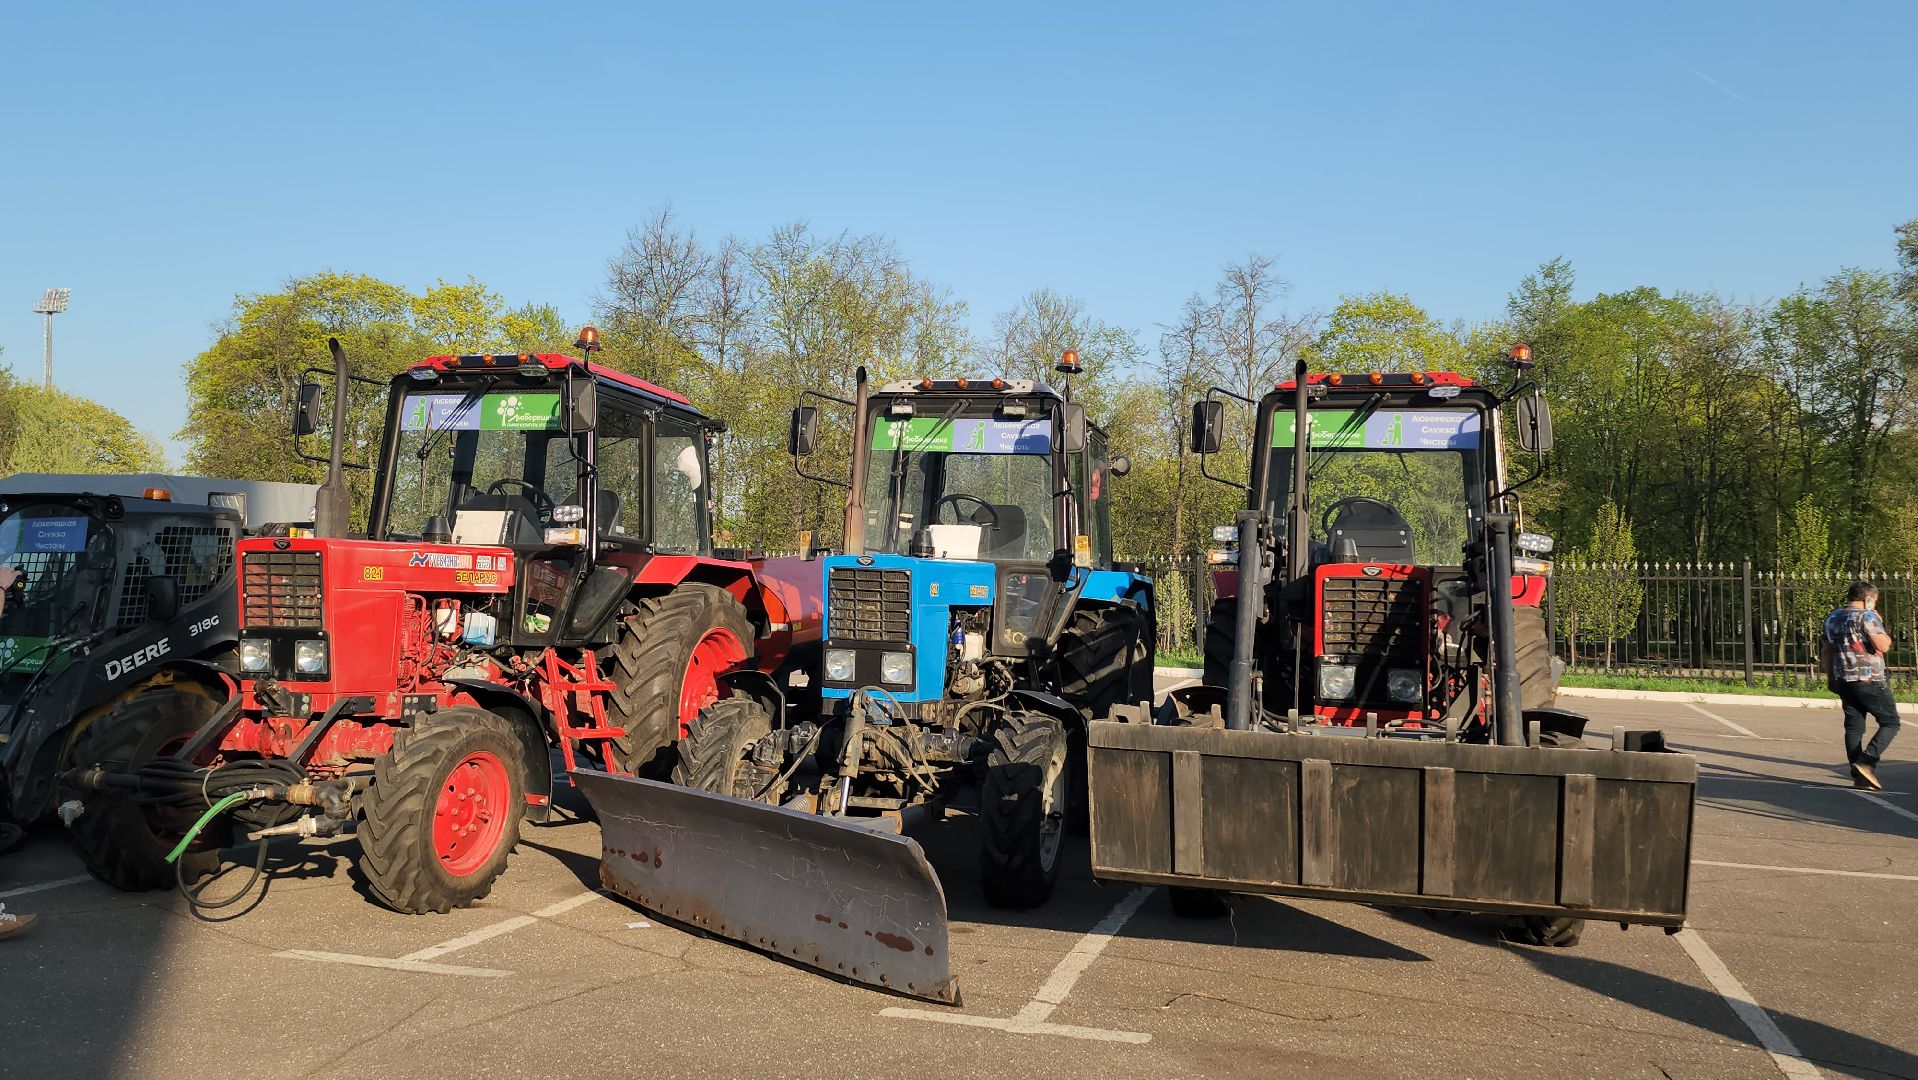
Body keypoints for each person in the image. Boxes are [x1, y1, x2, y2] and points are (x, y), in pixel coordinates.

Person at [1820, 581, 1901, 790]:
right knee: (1891, 722)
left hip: (1843, 679)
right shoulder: (1868, 616)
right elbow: (1883, 645)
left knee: (1854, 727)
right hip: (1869, 679)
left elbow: (1827, 651)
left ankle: (1858, 775)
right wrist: (1881, 625)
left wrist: (1831, 678)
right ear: (1869, 599)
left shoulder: (1832, 617)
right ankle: (1866, 762)